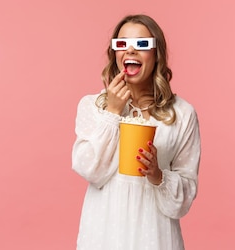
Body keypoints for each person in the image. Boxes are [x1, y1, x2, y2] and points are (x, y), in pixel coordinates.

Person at [72, 14, 201, 250]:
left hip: (155, 234)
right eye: (121, 44)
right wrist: (112, 112)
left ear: (156, 53)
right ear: (115, 54)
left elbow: (185, 195)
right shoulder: (92, 106)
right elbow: (90, 170)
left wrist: (158, 176)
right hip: (103, 230)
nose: (130, 50)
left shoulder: (182, 113)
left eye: (142, 44)